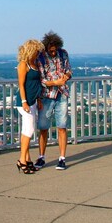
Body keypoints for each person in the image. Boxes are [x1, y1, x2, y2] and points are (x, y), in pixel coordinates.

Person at [36, 31, 72, 170]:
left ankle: (62, 158)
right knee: (43, 127)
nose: (53, 53)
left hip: (62, 94)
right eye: (51, 50)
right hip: (46, 96)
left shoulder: (63, 54)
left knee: (62, 126)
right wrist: (56, 82)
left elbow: (69, 70)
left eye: (55, 50)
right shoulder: (41, 57)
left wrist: (66, 77)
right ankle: (41, 157)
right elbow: (42, 79)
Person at [15, 39, 45, 173]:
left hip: (33, 100)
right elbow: (21, 85)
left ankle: (27, 158)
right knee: (30, 130)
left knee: (26, 130)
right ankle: (22, 160)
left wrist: (38, 99)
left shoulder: (35, 64)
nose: (38, 54)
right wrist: (24, 101)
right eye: (36, 51)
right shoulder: (23, 64)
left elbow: (36, 84)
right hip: (25, 101)